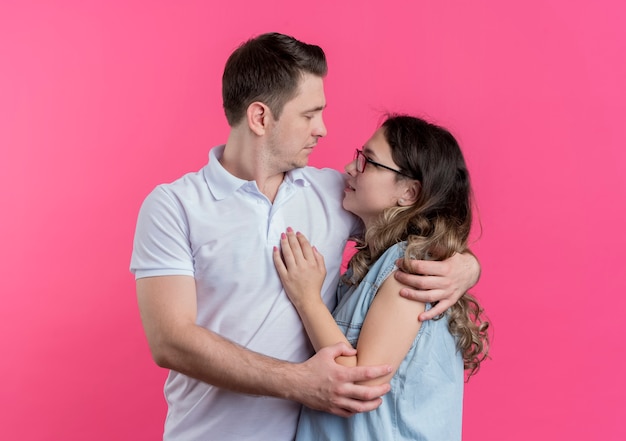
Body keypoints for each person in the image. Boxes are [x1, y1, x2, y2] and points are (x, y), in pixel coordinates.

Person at [130, 32, 480, 441]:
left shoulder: (336, 194)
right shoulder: (174, 206)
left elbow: (415, 225)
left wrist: (466, 267)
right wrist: (298, 382)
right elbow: (170, 341)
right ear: (260, 117)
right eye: (309, 114)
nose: (323, 130)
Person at [273, 114, 490, 440]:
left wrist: (306, 298)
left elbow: (360, 384)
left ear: (409, 193)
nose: (350, 167)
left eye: (368, 162)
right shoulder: (373, 267)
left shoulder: (410, 269)